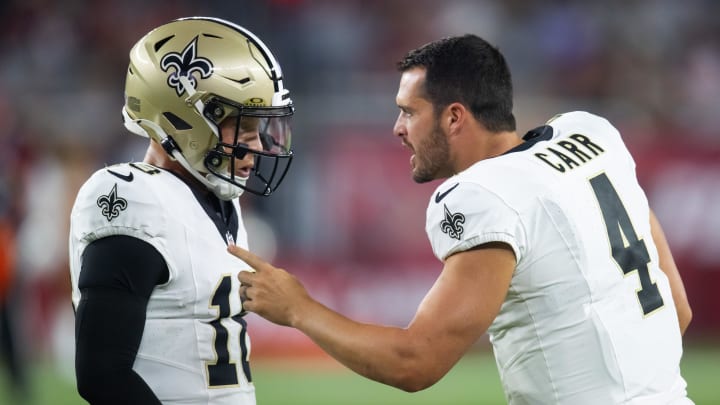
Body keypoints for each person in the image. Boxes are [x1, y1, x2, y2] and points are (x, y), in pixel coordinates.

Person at [230, 34, 694, 404]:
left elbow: (415, 363)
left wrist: (297, 308)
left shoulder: (481, 193)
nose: (397, 128)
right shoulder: (593, 136)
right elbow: (678, 308)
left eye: (409, 112)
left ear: (454, 117)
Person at [69, 16, 294, 404]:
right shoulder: (137, 200)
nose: (257, 147)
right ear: (186, 120)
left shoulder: (220, 201)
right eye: (244, 129)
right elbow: (102, 374)